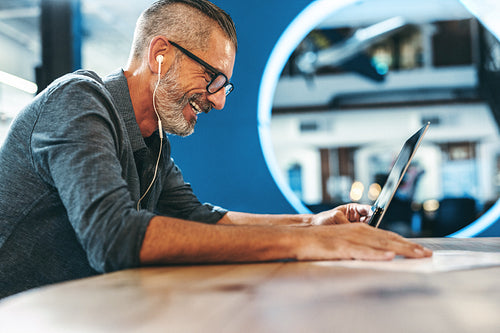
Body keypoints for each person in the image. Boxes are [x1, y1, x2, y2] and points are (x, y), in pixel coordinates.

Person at [0, 0, 431, 299]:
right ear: (161, 55)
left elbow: (202, 218)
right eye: (213, 78)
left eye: (224, 85)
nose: (219, 100)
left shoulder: (153, 140)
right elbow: (114, 237)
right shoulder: (78, 102)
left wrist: (314, 225)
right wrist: (302, 245)